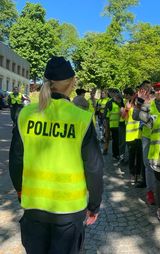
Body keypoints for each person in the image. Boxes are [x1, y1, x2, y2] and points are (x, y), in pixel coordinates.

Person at [9, 56, 104, 254]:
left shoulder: (26, 114)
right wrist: (94, 205)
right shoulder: (82, 118)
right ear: (72, 83)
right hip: (69, 211)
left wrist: (20, 191)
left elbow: (16, 160)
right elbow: (94, 167)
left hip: (34, 207)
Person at [133, 81, 160, 205]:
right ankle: (150, 192)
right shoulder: (148, 103)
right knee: (148, 166)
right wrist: (140, 102)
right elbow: (135, 116)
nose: (157, 92)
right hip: (148, 138)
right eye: (155, 90)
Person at [121, 87, 143, 184]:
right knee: (131, 155)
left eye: (125, 95)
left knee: (139, 156)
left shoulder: (139, 103)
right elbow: (124, 118)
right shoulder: (127, 103)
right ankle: (132, 174)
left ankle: (138, 174)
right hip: (130, 134)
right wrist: (126, 110)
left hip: (139, 134)